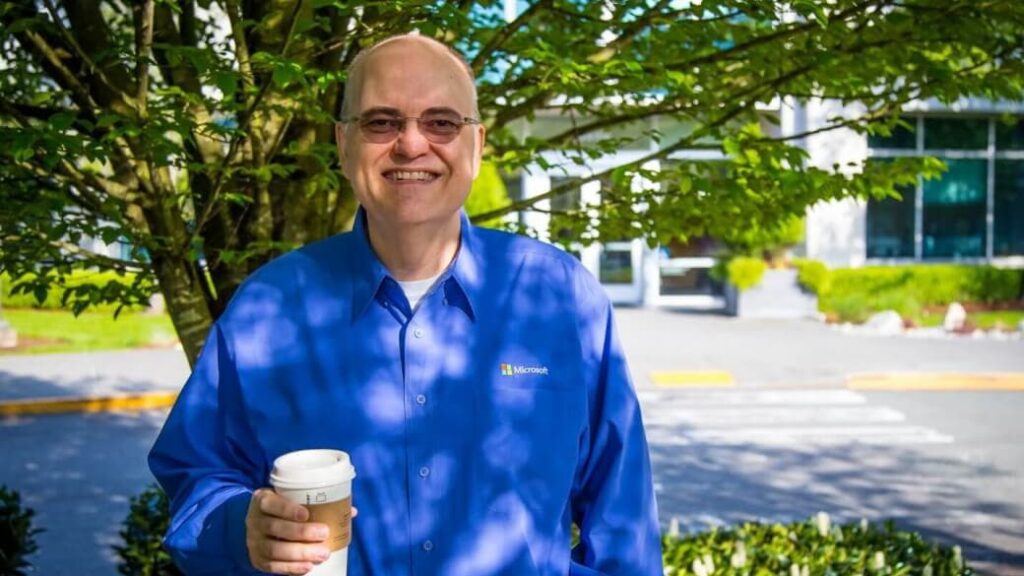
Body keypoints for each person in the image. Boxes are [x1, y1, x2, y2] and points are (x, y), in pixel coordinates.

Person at [149, 33, 662, 576]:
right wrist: (240, 530)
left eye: (441, 122)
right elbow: (194, 479)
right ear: (343, 143)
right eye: (381, 122)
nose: (412, 144)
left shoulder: (561, 296)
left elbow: (622, 519)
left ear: (477, 143)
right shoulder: (267, 309)